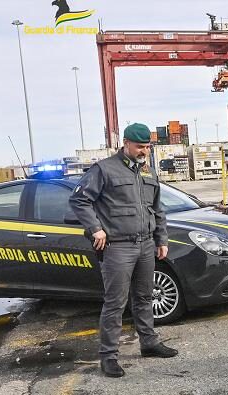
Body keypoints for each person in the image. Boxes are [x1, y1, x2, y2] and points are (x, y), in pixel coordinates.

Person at [69, 123, 178, 378]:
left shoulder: (148, 172)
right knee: (115, 303)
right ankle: (108, 357)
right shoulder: (104, 169)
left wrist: (161, 239)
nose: (144, 151)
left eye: (148, 147)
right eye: (140, 147)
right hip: (118, 247)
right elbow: (79, 199)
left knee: (144, 296)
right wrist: (96, 228)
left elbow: (157, 209)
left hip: (146, 244)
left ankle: (149, 343)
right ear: (126, 143)